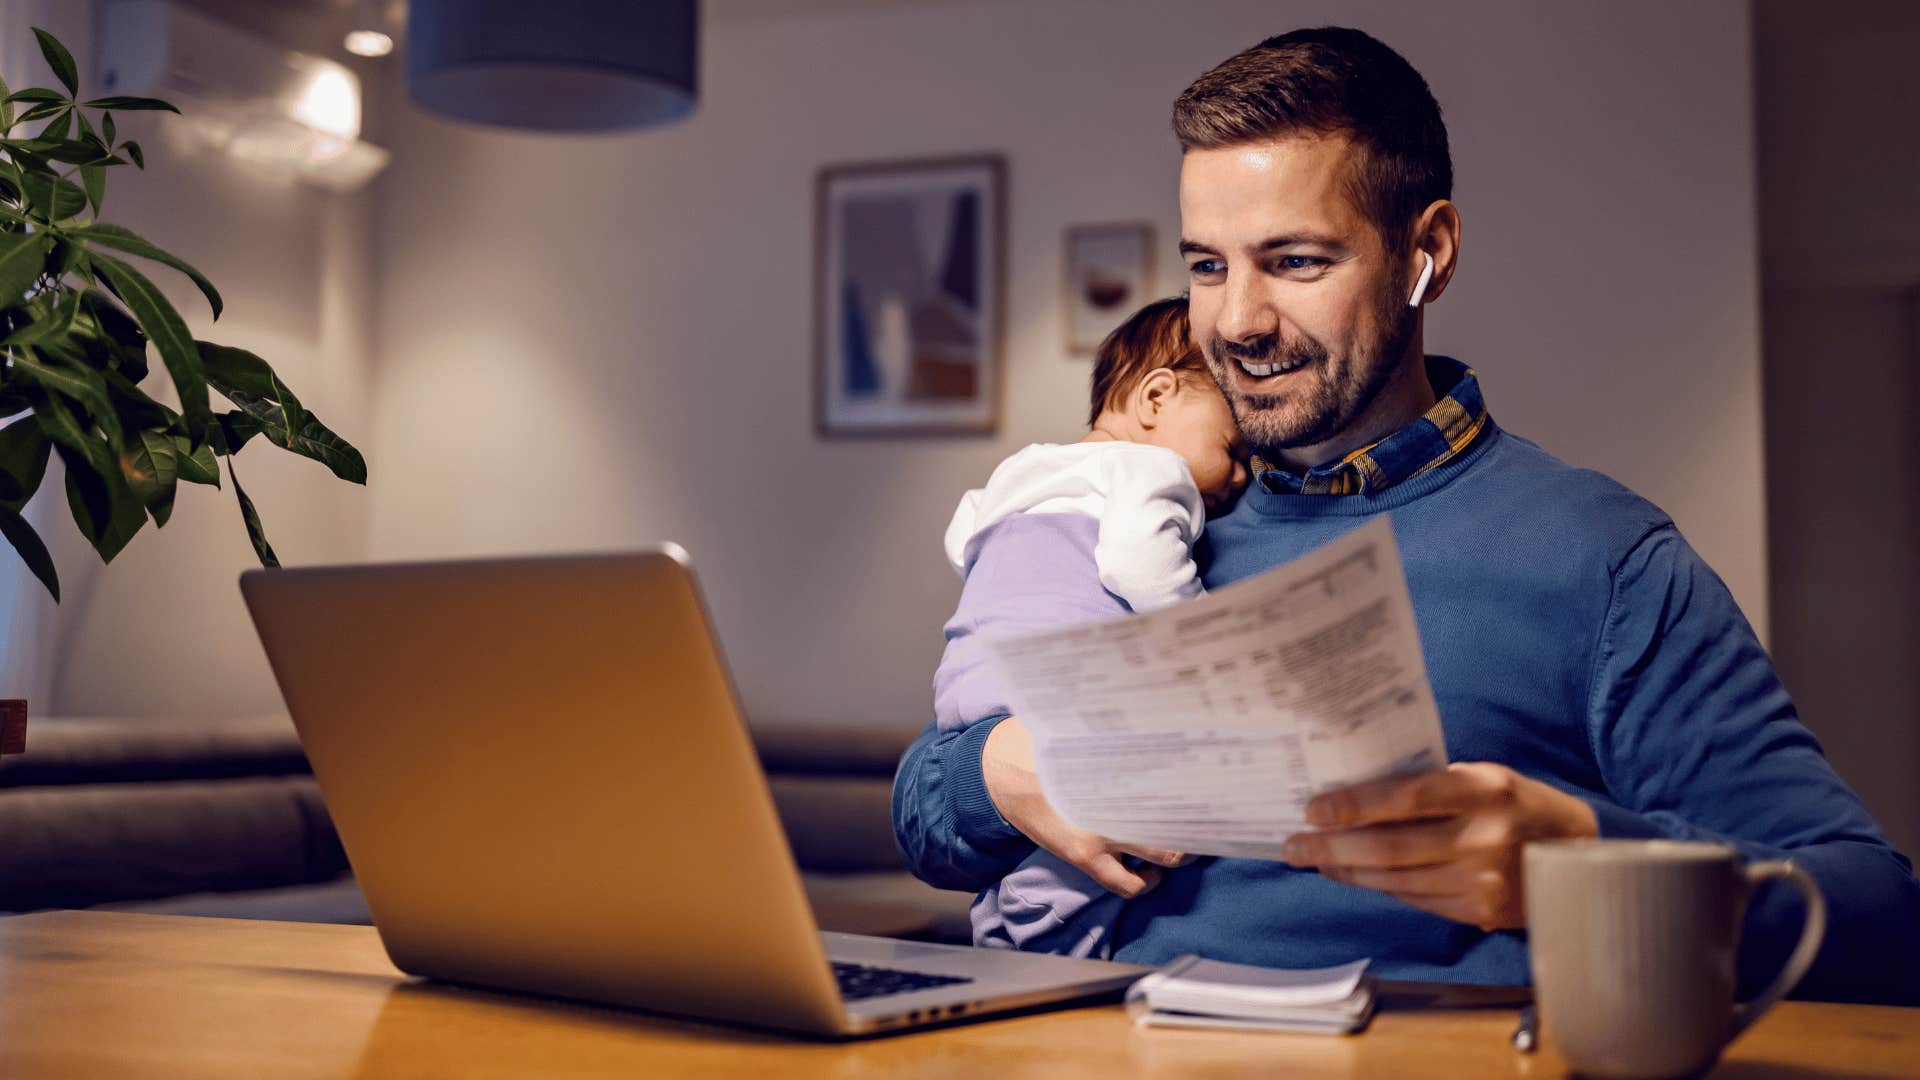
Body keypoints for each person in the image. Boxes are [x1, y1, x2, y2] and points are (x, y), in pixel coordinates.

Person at [893, 26, 1920, 1004]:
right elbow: (928, 817)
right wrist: (993, 774)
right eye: (1208, 265)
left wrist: (1577, 865)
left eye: (1295, 262)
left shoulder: (1602, 560)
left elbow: (1879, 919)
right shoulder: (1154, 513)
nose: (1237, 321)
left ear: (1427, 250)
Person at [936, 297, 1246, 958]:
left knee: (1044, 818)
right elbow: (1140, 565)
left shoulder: (1021, 468)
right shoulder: (1154, 471)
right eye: (1232, 447)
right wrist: (1203, 633)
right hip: (1065, 679)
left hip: (970, 683)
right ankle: (1042, 904)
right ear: (1157, 398)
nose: (1242, 477)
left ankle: (1005, 907)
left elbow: (962, 537)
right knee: (1171, 800)